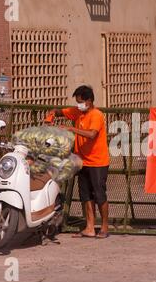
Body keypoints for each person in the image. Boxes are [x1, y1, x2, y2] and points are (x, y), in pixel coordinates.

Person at [46, 85, 110, 239]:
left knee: (99, 195)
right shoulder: (77, 112)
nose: (78, 105)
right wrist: (51, 114)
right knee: (85, 195)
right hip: (82, 161)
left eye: (81, 102)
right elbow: (59, 111)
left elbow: (92, 134)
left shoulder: (96, 115)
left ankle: (104, 227)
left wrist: (71, 129)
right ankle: (89, 227)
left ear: (89, 101)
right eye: (77, 102)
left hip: (98, 162)